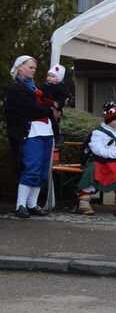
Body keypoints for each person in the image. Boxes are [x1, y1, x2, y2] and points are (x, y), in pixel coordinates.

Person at [4, 55, 57, 217]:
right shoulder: (16, 88)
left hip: (46, 131)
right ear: (20, 67)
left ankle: (32, 204)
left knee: (41, 171)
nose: (34, 70)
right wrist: (49, 109)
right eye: (30, 67)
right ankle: (20, 205)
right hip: (31, 133)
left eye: (35, 68)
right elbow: (30, 109)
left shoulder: (34, 88)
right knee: (32, 168)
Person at [77, 102, 116, 216]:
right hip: (99, 160)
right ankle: (84, 203)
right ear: (109, 120)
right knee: (91, 172)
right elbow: (97, 149)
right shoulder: (98, 132)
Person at [42, 64, 70, 147]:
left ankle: (57, 136)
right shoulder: (45, 86)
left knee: (54, 122)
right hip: (46, 106)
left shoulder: (61, 87)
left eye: (52, 76)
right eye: (48, 75)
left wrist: (58, 104)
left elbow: (64, 98)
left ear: (58, 78)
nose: (49, 77)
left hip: (56, 107)